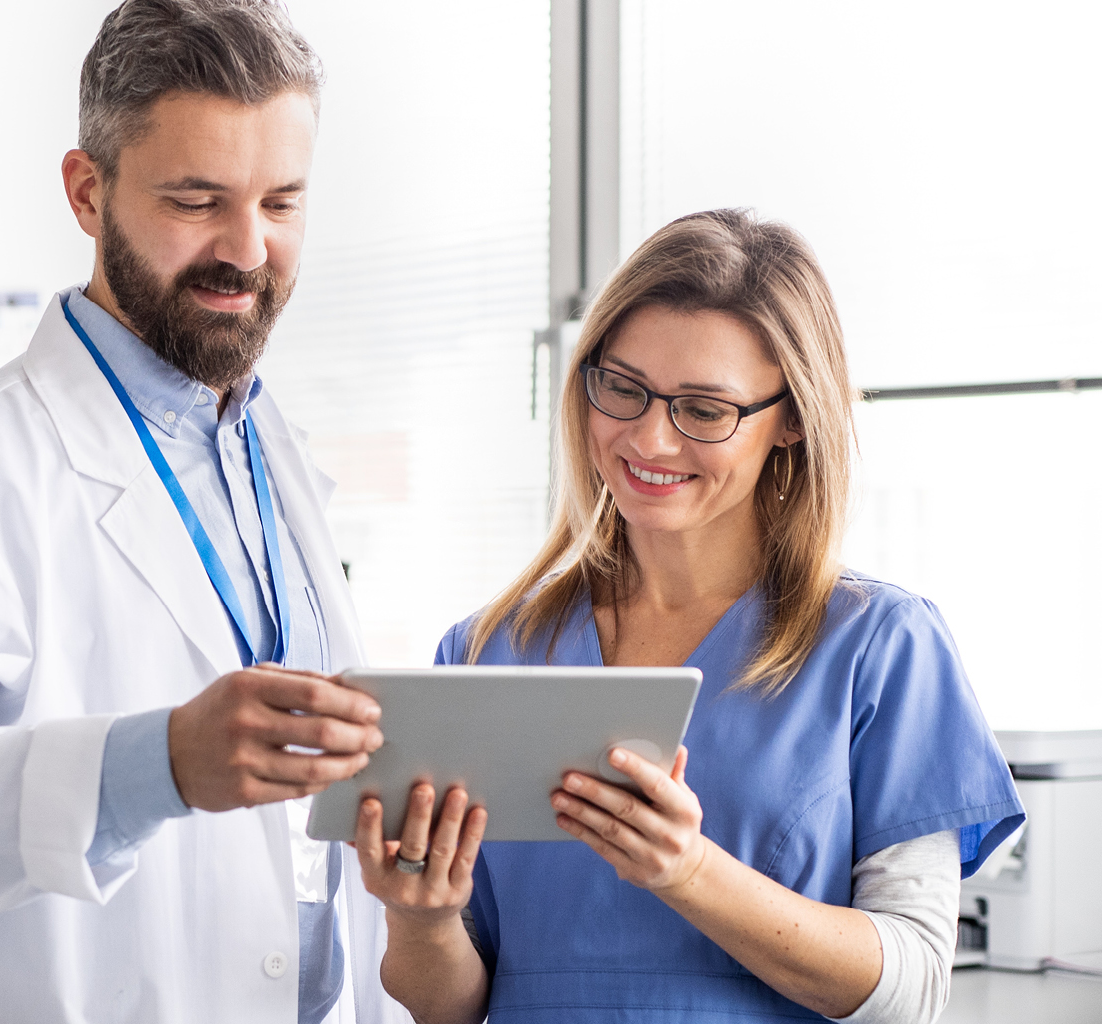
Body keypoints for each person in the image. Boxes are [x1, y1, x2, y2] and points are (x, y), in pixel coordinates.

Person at [0, 3, 409, 1022]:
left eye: (282, 201)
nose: (247, 247)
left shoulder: (279, 458)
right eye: (196, 199)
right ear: (89, 193)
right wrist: (160, 765)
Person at [354, 210, 1025, 1024]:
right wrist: (420, 920)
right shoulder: (488, 649)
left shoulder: (880, 646)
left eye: (704, 410)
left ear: (791, 423)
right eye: (623, 388)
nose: (648, 438)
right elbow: (453, 1006)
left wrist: (687, 871)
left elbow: (911, 989)